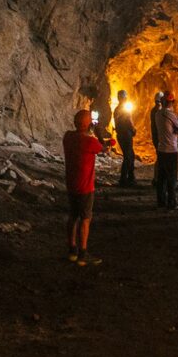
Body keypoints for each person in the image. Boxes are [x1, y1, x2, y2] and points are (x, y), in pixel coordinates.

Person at [63, 109, 104, 266]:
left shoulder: (68, 137)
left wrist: (89, 130)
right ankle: (83, 254)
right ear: (88, 124)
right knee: (85, 219)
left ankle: (72, 250)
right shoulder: (90, 141)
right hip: (85, 186)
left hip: (71, 184)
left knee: (73, 216)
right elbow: (103, 148)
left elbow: (79, 137)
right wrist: (97, 131)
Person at [155, 91, 178, 210]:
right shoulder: (170, 114)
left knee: (161, 178)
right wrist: (176, 132)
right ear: (171, 102)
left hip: (161, 149)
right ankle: (172, 204)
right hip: (171, 150)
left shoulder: (157, 114)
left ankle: (161, 202)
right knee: (171, 178)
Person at [114, 89, 137, 187]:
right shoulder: (125, 108)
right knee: (128, 156)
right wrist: (133, 129)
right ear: (124, 98)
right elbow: (129, 120)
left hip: (120, 134)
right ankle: (123, 179)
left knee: (130, 155)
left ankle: (131, 177)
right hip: (126, 134)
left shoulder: (116, 109)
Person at [150, 91, 163, 184]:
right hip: (158, 137)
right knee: (160, 158)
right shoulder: (157, 111)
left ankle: (157, 178)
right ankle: (156, 179)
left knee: (160, 157)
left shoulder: (154, 110)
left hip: (157, 137)